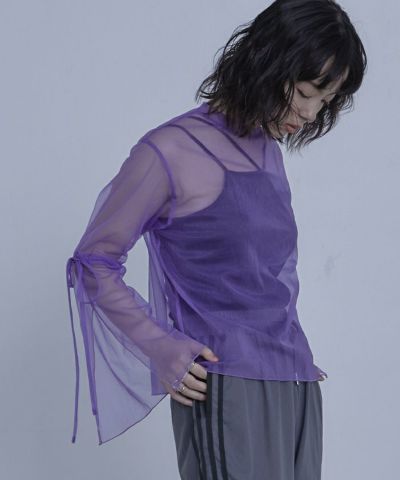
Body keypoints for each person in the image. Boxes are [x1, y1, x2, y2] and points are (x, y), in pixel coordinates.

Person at [65, 0, 367, 478]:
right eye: (306, 91)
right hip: (226, 382)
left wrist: (293, 364)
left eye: (325, 101)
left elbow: (263, 283)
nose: (310, 113)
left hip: (295, 382)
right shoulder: (170, 151)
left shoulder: (267, 152)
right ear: (267, 61)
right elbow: (93, 261)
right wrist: (161, 347)